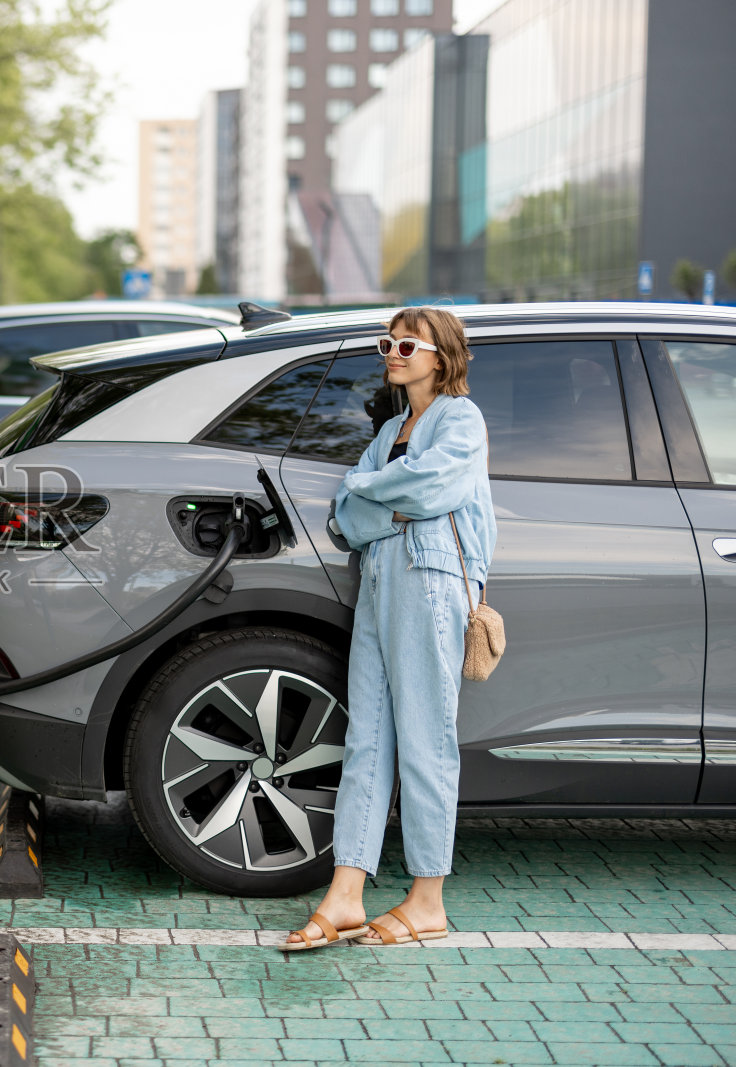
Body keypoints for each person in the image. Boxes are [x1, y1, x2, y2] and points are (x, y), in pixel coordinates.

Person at [282, 306, 496, 950]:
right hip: (379, 579)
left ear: (441, 356)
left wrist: (377, 495)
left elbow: (432, 488)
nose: (394, 353)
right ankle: (347, 893)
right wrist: (385, 503)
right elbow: (346, 515)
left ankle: (427, 897)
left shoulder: (461, 419)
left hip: (430, 582)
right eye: (388, 343)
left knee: (427, 737)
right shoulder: (397, 427)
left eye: (409, 344)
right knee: (368, 737)